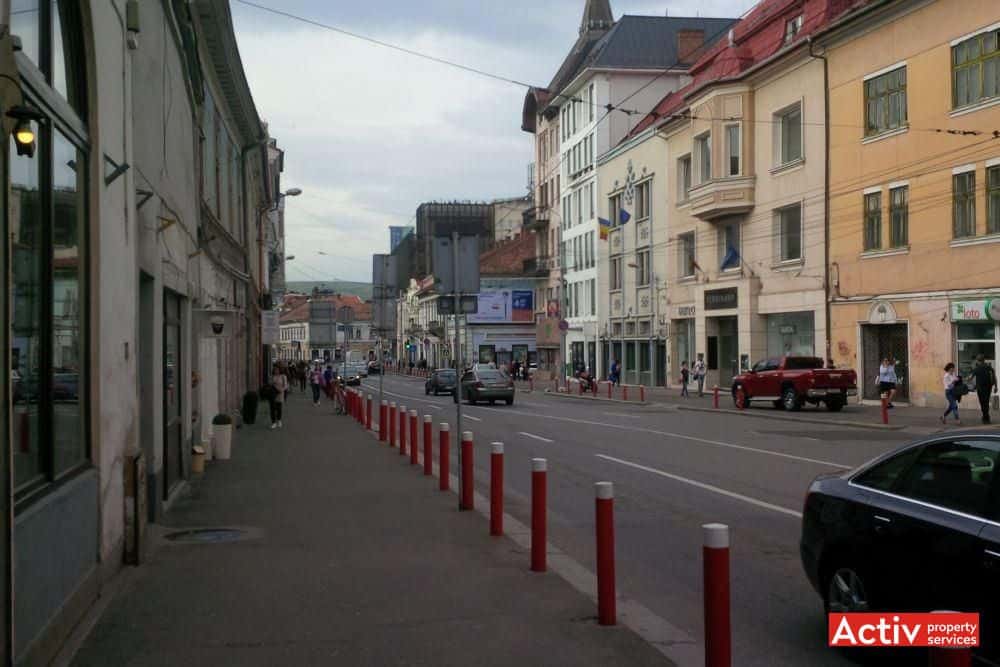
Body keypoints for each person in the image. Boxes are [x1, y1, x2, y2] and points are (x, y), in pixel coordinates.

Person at [971, 354, 998, 425]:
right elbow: (994, 377)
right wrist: (996, 387)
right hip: (988, 388)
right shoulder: (989, 367)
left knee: (982, 403)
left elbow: (970, 377)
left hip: (980, 389)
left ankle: (986, 417)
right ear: (984, 360)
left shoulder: (976, 368)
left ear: (977, 360)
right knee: (986, 402)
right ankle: (986, 417)